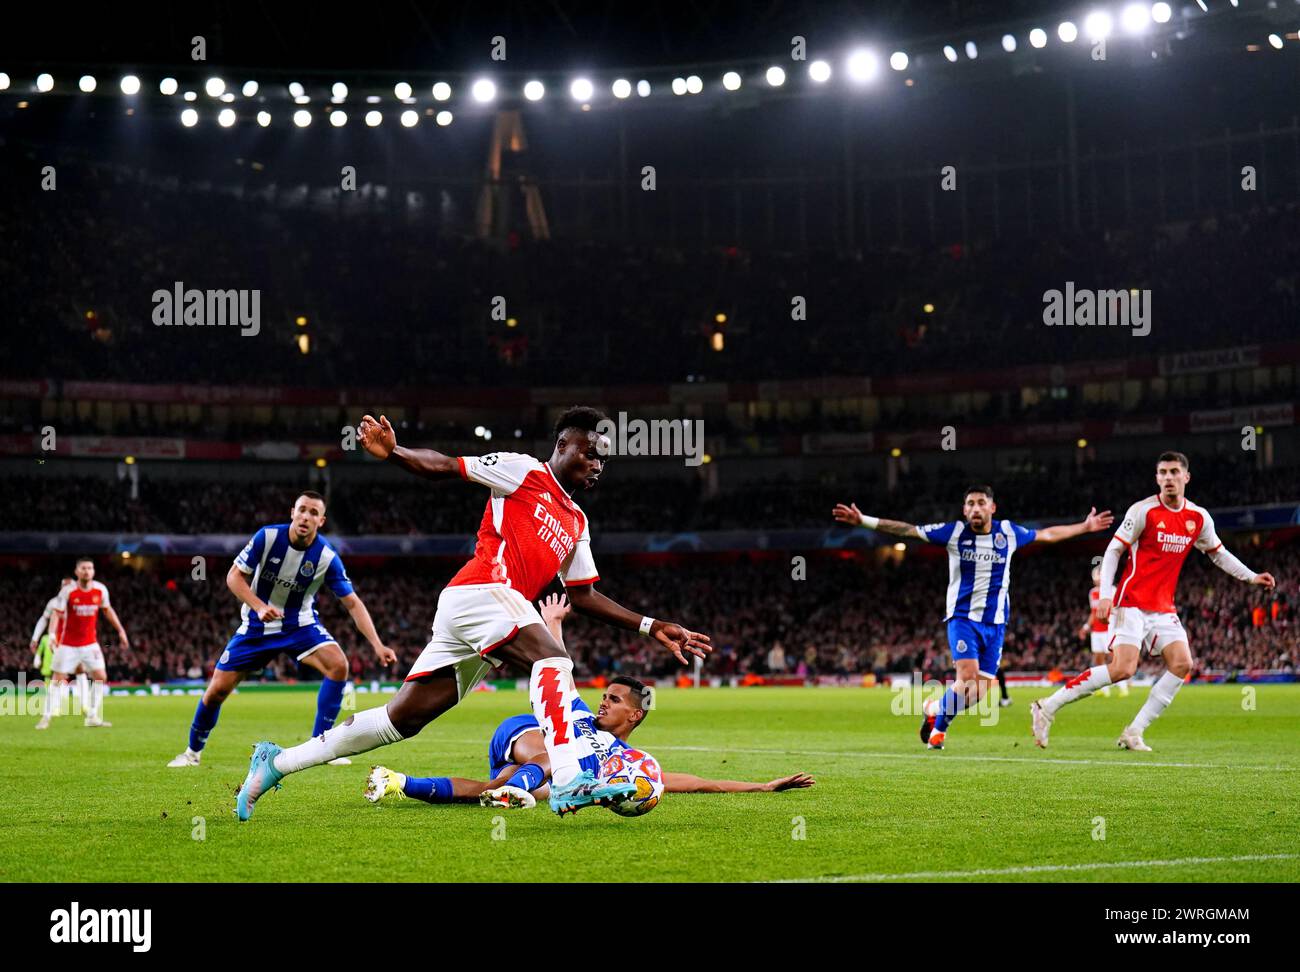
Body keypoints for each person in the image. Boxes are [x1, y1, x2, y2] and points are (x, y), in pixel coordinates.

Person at [234, 406, 711, 820]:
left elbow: (584, 595)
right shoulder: (523, 471)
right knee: (554, 660)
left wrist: (651, 625)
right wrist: (396, 454)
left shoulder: (576, 521)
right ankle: (567, 778)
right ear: (562, 445)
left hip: (487, 616)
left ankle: (276, 763)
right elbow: (445, 465)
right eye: (587, 452)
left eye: (602, 458)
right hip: (481, 590)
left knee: (399, 721)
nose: (596, 464)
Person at [365, 594, 814, 807]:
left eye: (614, 700)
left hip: (552, 767)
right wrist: (552, 622)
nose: (604, 703)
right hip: (525, 733)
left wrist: (762, 786)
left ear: (635, 714)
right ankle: (526, 790)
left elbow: (696, 782)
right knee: (555, 758)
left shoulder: (628, 759)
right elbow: (556, 666)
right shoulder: (577, 715)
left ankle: (399, 780)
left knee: (496, 787)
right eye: (605, 696)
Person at [833, 486, 1113, 749]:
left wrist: (1085, 527)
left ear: (993, 507)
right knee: (965, 677)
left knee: (979, 693)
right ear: (964, 511)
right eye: (970, 504)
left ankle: (935, 710)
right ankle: (938, 735)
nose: (976, 508)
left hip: (996, 623)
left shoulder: (1008, 532)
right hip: (963, 619)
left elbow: (1047, 535)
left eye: (981, 503)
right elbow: (908, 530)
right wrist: (864, 520)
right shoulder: (954, 533)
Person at [1033, 452, 1275, 751]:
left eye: (1174, 472)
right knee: (1123, 669)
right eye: (1162, 473)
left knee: (1182, 663)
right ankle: (1047, 706)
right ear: (1157, 478)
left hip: (1163, 607)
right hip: (1130, 601)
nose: (1168, 478)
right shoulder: (1143, 511)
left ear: (1186, 477)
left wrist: (1251, 576)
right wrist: (1106, 594)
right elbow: (1112, 551)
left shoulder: (1198, 518)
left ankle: (1134, 731)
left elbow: (1218, 553)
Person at [167, 491, 395, 767]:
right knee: (216, 691)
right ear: (292, 512)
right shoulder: (268, 537)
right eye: (302, 510)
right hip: (256, 626)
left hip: (299, 624)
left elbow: (353, 603)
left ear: (321, 521)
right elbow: (234, 577)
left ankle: (320, 745)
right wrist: (259, 606)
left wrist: (377, 644)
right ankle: (192, 753)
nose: (306, 517)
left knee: (338, 666)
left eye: (313, 513)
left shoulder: (326, 557)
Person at [36, 559, 129, 729]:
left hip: (90, 644)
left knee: (101, 677)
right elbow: (57, 614)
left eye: (90, 568)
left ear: (93, 571)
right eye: (83, 568)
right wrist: (51, 635)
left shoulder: (100, 590)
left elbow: (107, 610)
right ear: (76, 571)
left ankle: (92, 716)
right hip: (68, 644)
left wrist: (120, 630)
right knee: (57, 678)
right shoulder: (68, 591)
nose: (87, 571)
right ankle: (46, 716)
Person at [1076, 564, 1129, 697]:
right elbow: (1093, 613)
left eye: (1098, 577)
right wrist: (1085, 627)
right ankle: (1104, 689)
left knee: (1113, 658)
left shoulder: (1112, 590)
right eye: (1095, 577)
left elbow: (1119, 609)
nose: (1096, 580)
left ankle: (1123, 686)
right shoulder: (1092, 593)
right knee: (1098, 659)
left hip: (1109, 629)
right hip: (1096, 632)